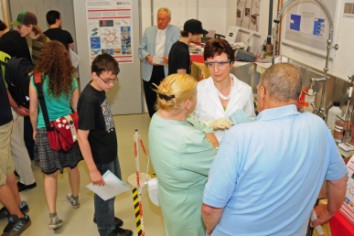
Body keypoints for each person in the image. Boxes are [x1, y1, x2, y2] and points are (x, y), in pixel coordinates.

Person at [201, 63, 348, 235]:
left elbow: (210, 208)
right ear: (299, 95)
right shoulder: (318, 126)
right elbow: (339, 180)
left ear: (262, 92)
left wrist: (210, 230)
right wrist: (330, 211)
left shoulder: (239, 136)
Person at [149, 73, 218, 236]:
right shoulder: (189, 139)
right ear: (187, 103)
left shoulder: (157, 119)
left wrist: (202, 127)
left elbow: (189, 122)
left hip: (170, 200)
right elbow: (219, 165)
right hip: (190, 208)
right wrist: (208, 130)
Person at [77, 53, 133, 236]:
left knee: (112, 186)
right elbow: (82, 137)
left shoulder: (99, 91)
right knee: (105, 193)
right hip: (100, 157)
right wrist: (92, 169)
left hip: (109, 151)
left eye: (114, 80)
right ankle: (106, 229)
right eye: (107, 80)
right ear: (94, 74)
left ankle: (102, 216)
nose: (110, 85)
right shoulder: (88, 99)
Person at [29, 41, 82, 230]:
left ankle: (53, 216)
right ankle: (75, 198)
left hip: (46, 130)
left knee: (49, 174)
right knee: (73, 166)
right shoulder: (71, 78)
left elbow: (33, 110)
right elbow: (76, 107)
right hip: (67, 127)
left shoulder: (36, 79)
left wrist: (34, 130)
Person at [194, 38, 255, 142]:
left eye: (221, 63)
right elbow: (190, 126)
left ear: (231, 63)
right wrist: (209, 126)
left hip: (236, 150)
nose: (216, 70)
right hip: (207, 151)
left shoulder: (245, 90)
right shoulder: (197, 90)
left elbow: (251, 126)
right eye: (211, 64)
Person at [0, 20, 37, 192]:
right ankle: (26, 177)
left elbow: (4, 89)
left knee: (15, 146)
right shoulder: (6, 53)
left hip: (10, 107)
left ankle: (27, 180)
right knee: (18, 144)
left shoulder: (4, 45)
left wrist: (15, 107)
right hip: (19, 102)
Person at [0, 65, 31, 235]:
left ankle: (18, 216)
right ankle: (17, 204)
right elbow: (4, 87)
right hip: (4, 118)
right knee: (6, 167)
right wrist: (15, 107)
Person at [138, 7, 180, 117]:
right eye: (158, 18)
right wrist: (147, 56)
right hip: (150, 70)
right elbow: (141, 49)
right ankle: (153, 119)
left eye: (163, 19)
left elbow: (179, 49)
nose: (160, 22)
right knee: (151, 97)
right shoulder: (149, 31)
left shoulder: (175, 31)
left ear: (169, 19)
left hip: (166, 70)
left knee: (167, 97)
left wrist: (170, 56)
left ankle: (166, 119)